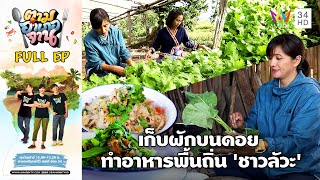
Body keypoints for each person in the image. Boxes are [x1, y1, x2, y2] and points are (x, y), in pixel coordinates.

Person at [215, 34, 320, 179]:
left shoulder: (311, 94)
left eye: (278, 58)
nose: (271, 63)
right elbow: (253, 125)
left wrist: (266, 144)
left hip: (299, 168)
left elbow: (299, 141)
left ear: (296, 60)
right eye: (270, 58)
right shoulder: (265, 90)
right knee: (219, 163)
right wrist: (241, 127)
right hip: (266, 163)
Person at [83, 8, 133, 78]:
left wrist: (130, 62)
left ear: (109, 22)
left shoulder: (117, 32)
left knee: (132, 73)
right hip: (98, 69)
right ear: (93, 27)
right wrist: (114, 69)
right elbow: (96, 63)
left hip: (116, 65)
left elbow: (123, 51)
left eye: (105, 26)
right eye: (99, 28)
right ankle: (89, 76)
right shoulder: (88, 40)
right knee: (106, 81)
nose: (103, 30)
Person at [145, 9, 211, 61]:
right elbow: (156, 45)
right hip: (164, 59)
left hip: (177, 58)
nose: (179, 23)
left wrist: (201, 46)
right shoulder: (162, 32)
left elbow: (187, 42)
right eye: (177, 20)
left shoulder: (182, 30)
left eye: (180, 21)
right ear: (171, 19)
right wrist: (150, 51)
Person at [27, 84, 50, 149]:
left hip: (46, 116)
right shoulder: (36, 96)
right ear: (39, 89)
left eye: (43, 88)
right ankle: (33, 144)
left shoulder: (47, 97)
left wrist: (40, 105)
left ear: (44, 89)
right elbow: (35, 104)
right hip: (37, 115)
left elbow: (47, 105)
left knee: (44, 129)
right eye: (41, 88)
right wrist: (43, 105)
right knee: (35, 129)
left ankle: (42, 144)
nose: (42, 89)